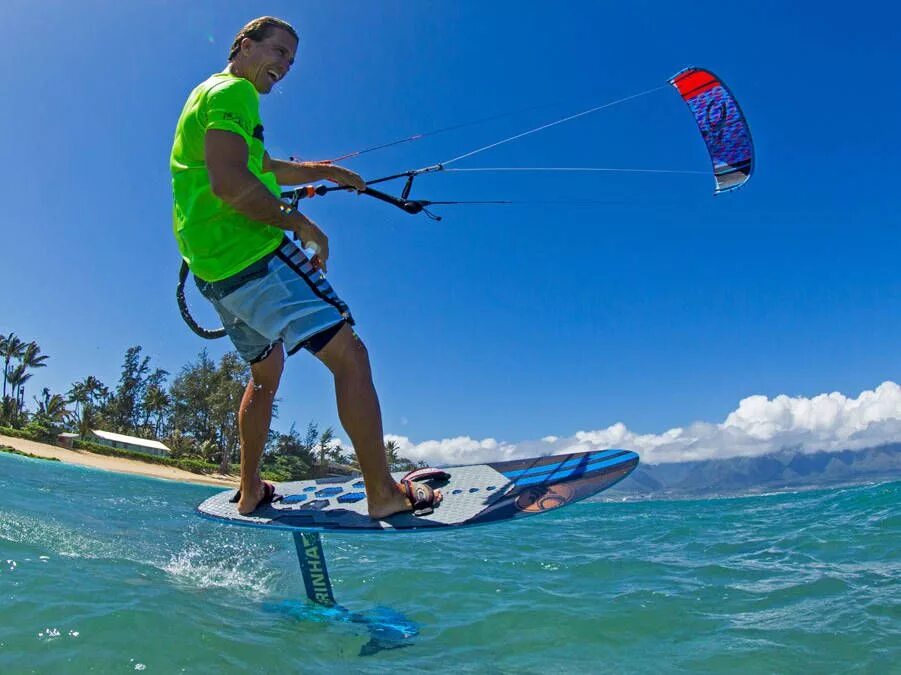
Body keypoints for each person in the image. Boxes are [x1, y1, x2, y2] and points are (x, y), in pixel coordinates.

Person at [170, 16, 441, 517]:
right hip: (252, 252)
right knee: (350, 356)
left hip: (214, 272)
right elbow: (230, 183)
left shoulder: (208, 96)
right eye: (277, 52)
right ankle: (383, 493)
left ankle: (250, 489)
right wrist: (302, 225)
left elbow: (263, 167)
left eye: (291, 60)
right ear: (244, 46)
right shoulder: (234, 93)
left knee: (264, 376)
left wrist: (328, 171)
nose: (284, 66)